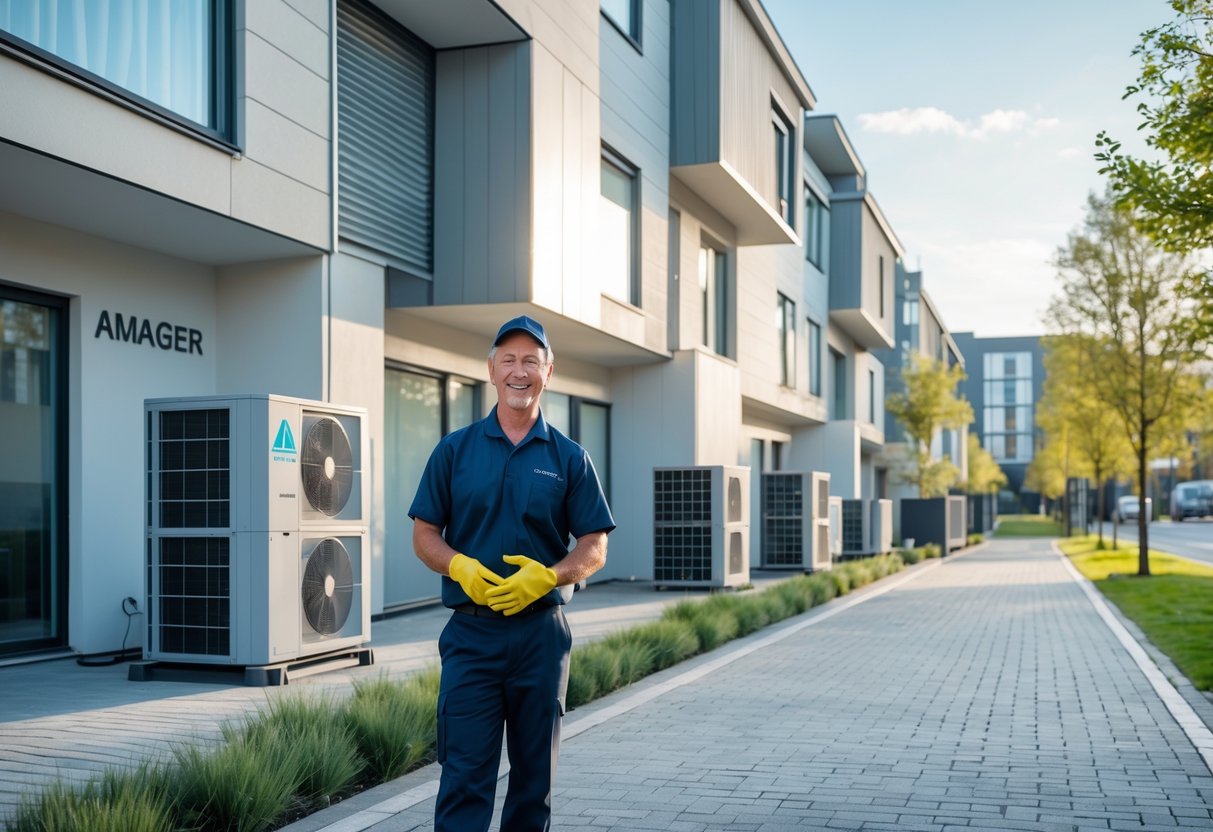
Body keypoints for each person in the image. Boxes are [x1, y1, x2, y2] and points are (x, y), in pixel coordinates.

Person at [409, 314, 615, 831]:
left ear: (549, 370)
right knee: (463, 778)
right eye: (508, 360)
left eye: (530, 360)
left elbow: (595, 545)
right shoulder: (453, 450)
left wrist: (550, 576)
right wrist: (459, 565)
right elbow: (424, 534)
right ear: (491, 369)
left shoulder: (570, 458)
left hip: (540, 639)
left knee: (533, 783)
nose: (518, 371)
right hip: (471, 636)